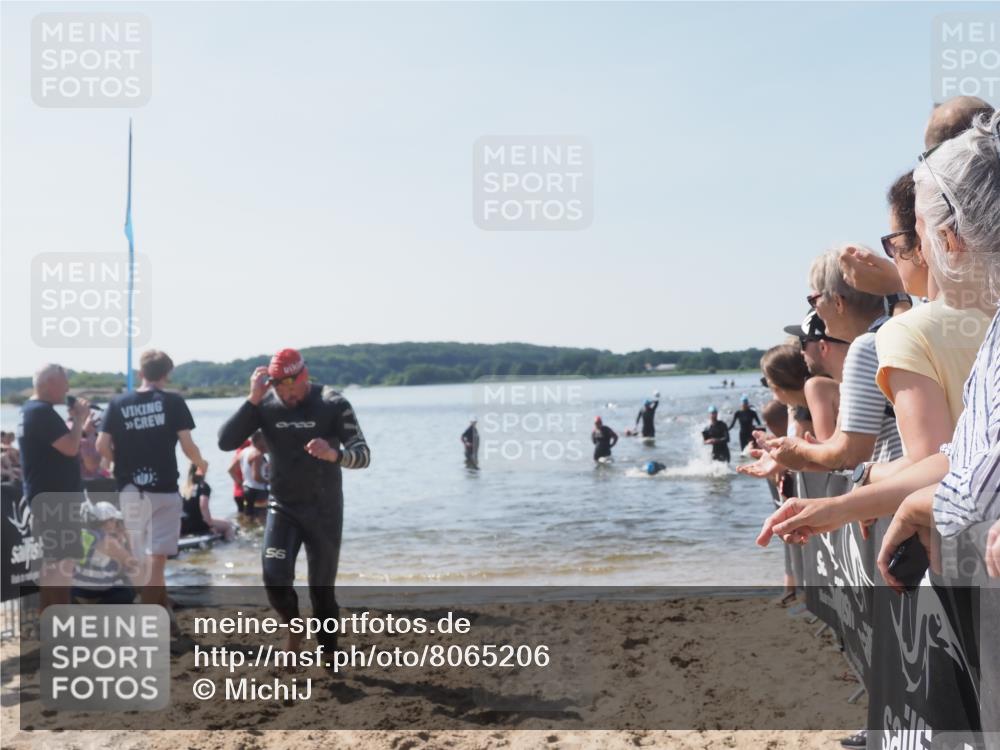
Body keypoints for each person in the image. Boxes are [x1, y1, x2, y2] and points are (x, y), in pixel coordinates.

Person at [217, 348, 371, 656]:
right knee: (274, 579)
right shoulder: (264, 405)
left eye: (293, 387)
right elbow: (225, 442)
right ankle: (294, 627)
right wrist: (253, 398)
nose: (288, 395)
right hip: (283, 507)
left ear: (305, 375)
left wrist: (335, 455)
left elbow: (364, 455)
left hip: (324, 510)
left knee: (321, 590)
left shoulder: (332, 402)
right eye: (280, 389)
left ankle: (329, 654)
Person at [96, 350, 209, 621]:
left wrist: (115, 464)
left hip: (131, 490)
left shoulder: (117, 403)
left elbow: (101, 445)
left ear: (141, 374)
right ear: (167, 373)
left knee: (142, 559)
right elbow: (187, 445)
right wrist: (201, 463)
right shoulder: (173, 402)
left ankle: (163, 611)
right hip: (163, 488)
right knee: (157, 559)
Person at [17, 364, 90, 610]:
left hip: (45, 498)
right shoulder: (41, 412)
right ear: (49, 384)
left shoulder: (30, 410)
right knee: (61, 567)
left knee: (52, 566)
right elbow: (71, 448)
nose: (68, 387)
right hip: (56, 501)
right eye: (65, 382)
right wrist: (79, 419)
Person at [71, 501, 138, 605]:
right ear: (108, 522)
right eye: (115, 521)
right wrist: (127, 537)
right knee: (128, 591)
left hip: (75, 590)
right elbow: (132, 564)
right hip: (93, 593)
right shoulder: (108, 541)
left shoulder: (84, 534)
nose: (117, 525)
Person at [180, 463, 235, 541]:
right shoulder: (204, 486)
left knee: (215, 520)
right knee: (228, 526)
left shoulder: (184, 486)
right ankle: (231, 546)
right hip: (197, 524)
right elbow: (203, 506)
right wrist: (210, 525)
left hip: (183, 525)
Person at [240, 430, 270, 520]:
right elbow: (256, 477)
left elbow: (232, 470)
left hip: (247, 488)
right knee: (261, 519)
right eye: (264, 439)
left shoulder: (244, 451)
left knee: (248, 517)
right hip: (258, 490)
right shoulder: (257, 454)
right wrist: (270, 481)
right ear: (259, 440)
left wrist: (241, 481)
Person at [227, 438, 251, 515]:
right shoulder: (242, 454)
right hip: (243, 492)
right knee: (249, 516)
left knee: (242, 515)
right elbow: (230, 470)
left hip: (238, 493)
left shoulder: (239, 453)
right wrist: (241, 483)